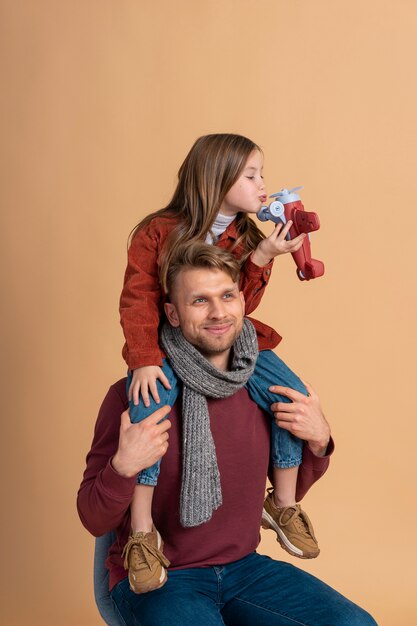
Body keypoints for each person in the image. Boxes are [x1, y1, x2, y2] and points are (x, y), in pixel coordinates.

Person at [77, 244, 377, 625]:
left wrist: (319, 441)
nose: (218, 312)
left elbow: (279, 495)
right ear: (172, 313)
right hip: (164, 580)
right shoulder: (137, 396)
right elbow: (93, 518)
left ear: (242, 301)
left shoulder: (263, 388)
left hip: (244, 570)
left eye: (227, 296)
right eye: (200, 300)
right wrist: (123, 467)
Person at [119, 133, 320, 593]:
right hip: (169, 342)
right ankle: (143, 532)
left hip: (233, 342)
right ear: (217, 177)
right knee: (151, 404)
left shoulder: (247, 233)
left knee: (288, 393)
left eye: (262, 174)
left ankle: (282, 503)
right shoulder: (158, 231)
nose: (262, 184)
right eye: (251, 175)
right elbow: (139, 298)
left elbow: (234, 310)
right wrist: (146, 360)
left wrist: (264, 255)